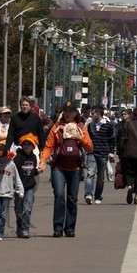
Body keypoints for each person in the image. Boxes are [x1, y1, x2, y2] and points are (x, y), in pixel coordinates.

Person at [39, 101, 93, 237]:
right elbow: (49, 146)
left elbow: (90, 148)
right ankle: (58, 227)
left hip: (75, 168)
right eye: (66, 110)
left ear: (76, 113)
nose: (68, 113)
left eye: (71, 111)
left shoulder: (80, 127)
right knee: (59, 195)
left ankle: (69, 227)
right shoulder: (57, 127)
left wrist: (81, 138)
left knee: (72, 198)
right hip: (59, 167)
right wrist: (42, 161)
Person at [85, 106, 115, 205]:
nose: (91, 115)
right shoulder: (90, 125)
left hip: (103, 153)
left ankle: (98, 196)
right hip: (92, 152)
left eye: (93, 113)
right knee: (90, 173)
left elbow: (112, 139)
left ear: (99, 113)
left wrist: (111, 152)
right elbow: (88, 138)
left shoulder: (108, 125)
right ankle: (88, 194)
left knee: (100, 176)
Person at [11, 136, 39, 237]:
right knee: (18, 209)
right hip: (19, 187)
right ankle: (19, 226)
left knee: (27, 208)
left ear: (33, 147)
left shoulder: (34, 157)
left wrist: (37, 171)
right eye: (25, 144)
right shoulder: (18, 157)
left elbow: (32, 172)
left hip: (30, 187)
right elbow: (13, 172)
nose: (27, 146)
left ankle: (25, 229)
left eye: (29, 144)